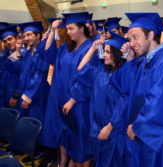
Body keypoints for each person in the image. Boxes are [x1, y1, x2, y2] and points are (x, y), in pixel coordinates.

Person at [121, 12, 163, 167]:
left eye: (135, 37)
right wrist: (129, 60)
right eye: (129, 38)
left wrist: (136, 127)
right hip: (140, 137)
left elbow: (160, 104)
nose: (131, 43)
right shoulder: (144, 62)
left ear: (150, 35)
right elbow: (126, 90)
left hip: (156, 140)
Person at [39, 12, 92, 167]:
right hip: (62, 100)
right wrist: (52, 30)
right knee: (64, 135)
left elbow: (87, 79)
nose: (68, 32)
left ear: (82, 28)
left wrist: (72, 99)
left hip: (78, 103)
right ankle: (63, 163)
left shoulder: (90, 49)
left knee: (79, 142)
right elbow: (48, 54)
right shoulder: (65, 48)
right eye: (67, 29)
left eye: (71, 28)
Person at [76, 31, 129, 167]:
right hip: (97, 128)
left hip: (112, 130)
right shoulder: (101, 71)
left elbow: (124, 103)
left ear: (116, 54)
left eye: (107, 52)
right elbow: (81, 68)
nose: (103, 55)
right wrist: (93, 48)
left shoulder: (123, 75)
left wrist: (110, 126)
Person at [17, 21, 50, 120]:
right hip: (25, 94)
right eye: (24, 36)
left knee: (35, 123)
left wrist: (28, 97)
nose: (26, 38)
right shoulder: (28, 53)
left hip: (37, 96)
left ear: (38, 35)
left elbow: (39, 76)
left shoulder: (43, 54)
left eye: (29, 35)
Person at [0, 25, 23, 108]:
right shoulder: (7, 56)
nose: (8, 43)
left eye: (10, 39)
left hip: (13, 94)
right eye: (5, 41)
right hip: (4, 93)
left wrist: (16, 95)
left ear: (17, 38)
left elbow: (23, 75)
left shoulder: (24, 54)